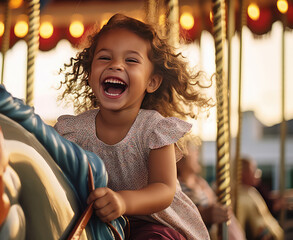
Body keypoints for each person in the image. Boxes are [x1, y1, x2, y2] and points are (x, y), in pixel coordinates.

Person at [54, 13, 212, 240]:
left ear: (152, 81)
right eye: (105, 58)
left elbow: (164, 189)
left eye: (131, 60)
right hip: (100, 222)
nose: (116, 65)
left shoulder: (153, 130)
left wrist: (123, 201)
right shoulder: (74, 131)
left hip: (155, 222)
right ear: (90, 74)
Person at [177, 135, 245, 240]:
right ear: (180, 155)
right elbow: (178, 215)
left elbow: (213, 203)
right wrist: (204, 215)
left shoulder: (200, 182)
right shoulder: (177, 186)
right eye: (193, 148)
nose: (197, 152)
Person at [236, 156, 284, 240]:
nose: (257, 174)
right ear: (243, 173)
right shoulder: (242, 197)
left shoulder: (251, 191)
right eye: (253, 170)